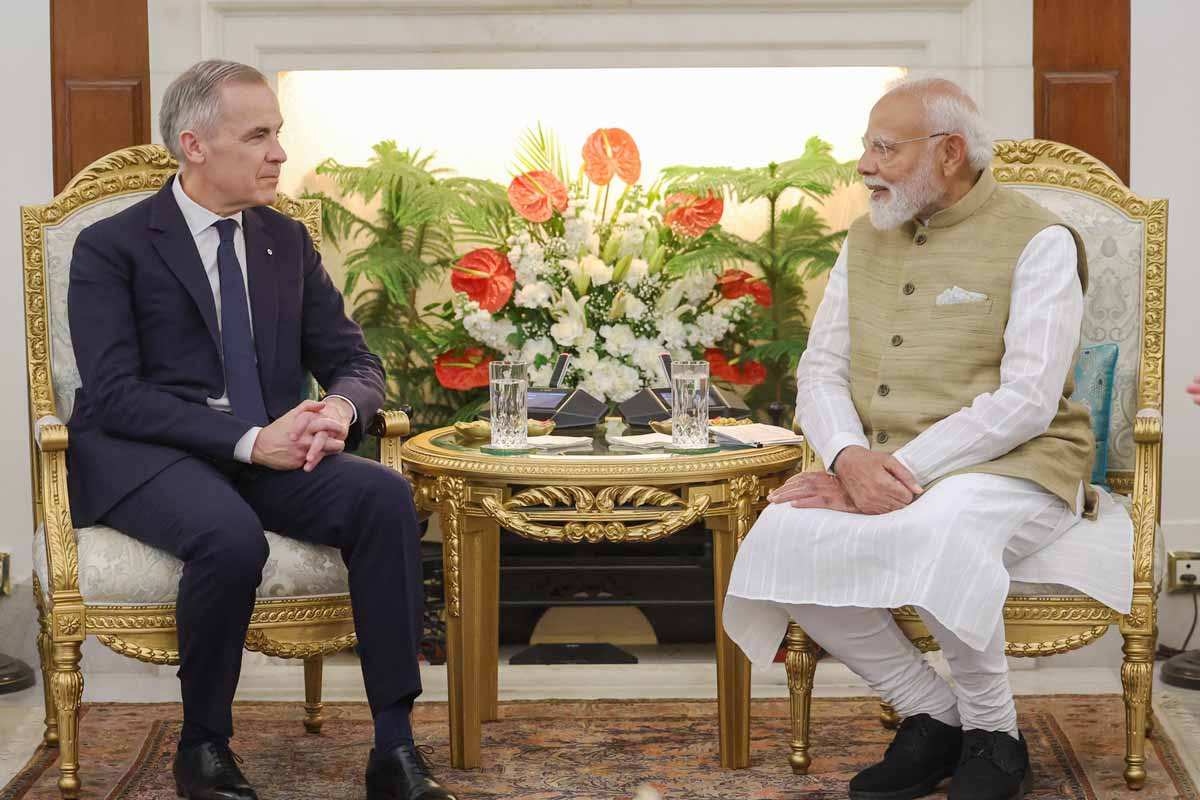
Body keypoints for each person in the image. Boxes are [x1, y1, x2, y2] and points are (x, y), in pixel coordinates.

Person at [722, 77, 1133, 800]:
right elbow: (822, 367)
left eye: (885, 148)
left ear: (949, 152)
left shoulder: (1039, 241)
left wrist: (896, 471)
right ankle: (931, 713)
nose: (865, 165)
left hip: (1019, 463)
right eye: (866, 146)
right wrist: (848, 457)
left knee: (945, 525)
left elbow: (1027, 400)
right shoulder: (863, 237)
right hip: (878, 459)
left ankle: (995, 734)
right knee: (783, 533)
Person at [67, 60, 457, 800]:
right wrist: (251, 442)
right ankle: (203, 746)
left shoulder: (285, 241)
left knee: (382, 497)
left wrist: (338, 411)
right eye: (258, 136)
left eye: (278, 133)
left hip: (266, 451)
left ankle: (395, 749)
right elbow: (114, 396)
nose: (279, 153)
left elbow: (354, 361)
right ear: (194, 145)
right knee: (229, 537)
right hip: (150, 456)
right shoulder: (111, 246)